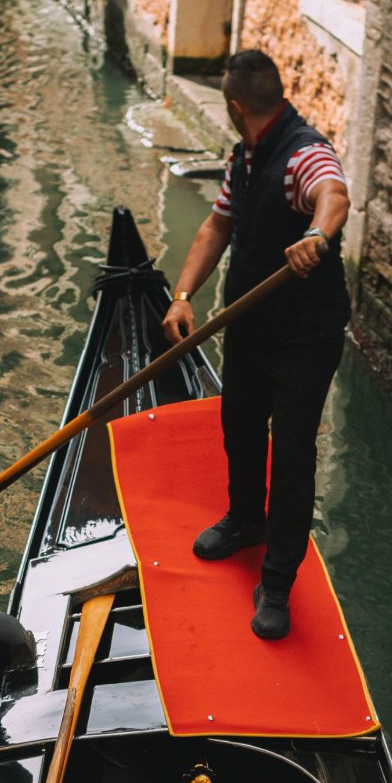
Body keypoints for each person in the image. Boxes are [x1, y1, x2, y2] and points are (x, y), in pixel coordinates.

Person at [161, 49, 351, 645]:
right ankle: (246, 520)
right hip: (249, 322)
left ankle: (277, 582)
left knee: (292, 456)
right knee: (239, 426)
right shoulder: (243, 155)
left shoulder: (301, 153)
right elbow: (218, 225)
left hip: (304, 337)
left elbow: (333, 193)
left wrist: (316, 234)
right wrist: (183, 295)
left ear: (235, 106)